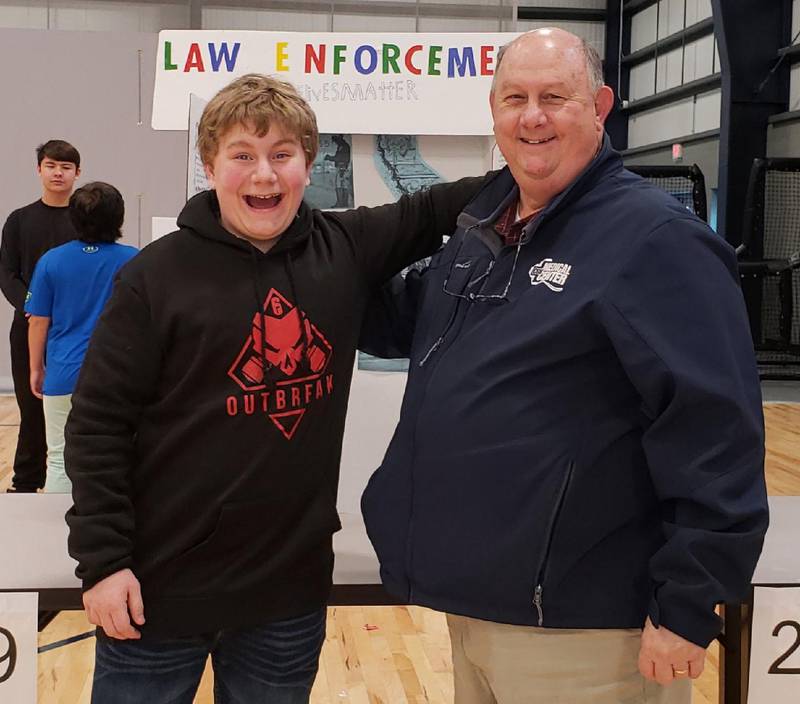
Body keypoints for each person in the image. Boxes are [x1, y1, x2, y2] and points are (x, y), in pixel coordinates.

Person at [360, 28, 768, 704]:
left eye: (555, 96)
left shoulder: (652, 241)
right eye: (514, 97)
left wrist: (689, 602)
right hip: (482, 605)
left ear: (600, 106)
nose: (533, 116)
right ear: (493, 110)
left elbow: (715, 431)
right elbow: (401, 319)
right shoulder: (484, 231)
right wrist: (294, 261)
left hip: (588, 627)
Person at [63, 74, 487, 703]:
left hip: (286, 600)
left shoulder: (342, 248)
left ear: (306, 165)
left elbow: (439, 207)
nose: (264, 175)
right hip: (157, 592)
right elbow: (97, 425)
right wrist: (104, 564)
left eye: (282, 155)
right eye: (243, 156)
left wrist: (552, 159)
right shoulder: (153, 279)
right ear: (210, 166)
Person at [25, 182, 137, 494]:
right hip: (117, 377)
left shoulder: (51, 261)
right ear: (119, 218)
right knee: (120, 456)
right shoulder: (135, 260)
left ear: (72, 218)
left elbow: (38, 322)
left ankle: (58, 538)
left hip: (62, 374)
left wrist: (36, 368)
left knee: (60, 458)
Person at [0, 139, 80, 493]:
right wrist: (33, 307)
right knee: (31, 408)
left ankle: (77, 483)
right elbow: (7, 273)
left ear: (77, 173)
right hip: (29, 326)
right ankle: (25, 481)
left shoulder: (85, 219)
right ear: (39, 170)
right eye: (51, 165)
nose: (58, 172)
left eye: (65, 167)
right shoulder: (19, 220)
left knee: (76, 410)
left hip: (74, 328)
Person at [324, 134, 352, 208]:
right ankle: (343, 204)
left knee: (339, 185)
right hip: (343, 167)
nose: (335, 142)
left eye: (335, 140)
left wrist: (329, 157)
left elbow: (339, 158)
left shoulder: (343, 146)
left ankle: (340, 204)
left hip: (342, 168)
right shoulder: (343, 146)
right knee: (343, 186)